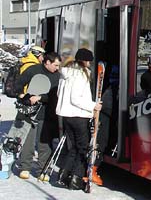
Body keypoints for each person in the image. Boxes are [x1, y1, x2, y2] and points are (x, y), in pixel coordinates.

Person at [56, 48, 102, 190]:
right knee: (83, 148)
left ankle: (63, 175)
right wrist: (93, 106)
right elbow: (76, 98)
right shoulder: (80, 75)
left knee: (74, 147)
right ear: (84, 61)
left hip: (66, 115)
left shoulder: (66, 74)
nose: (89, 63)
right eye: (88, 61)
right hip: (79, 115)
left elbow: (59, 94)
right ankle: (76, 178)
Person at [14, 52, 62, 180]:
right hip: (30, 111)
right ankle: (25, 167)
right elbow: (19, 83)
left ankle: (43, 169)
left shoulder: (58, 77)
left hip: (47, 113)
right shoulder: (33, 70)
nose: (57, 68)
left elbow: (56, 96)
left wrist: (41, 98)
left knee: (44, 142)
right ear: (47, 62)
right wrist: (21, 95)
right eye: (55, 65)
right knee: (28, 140)